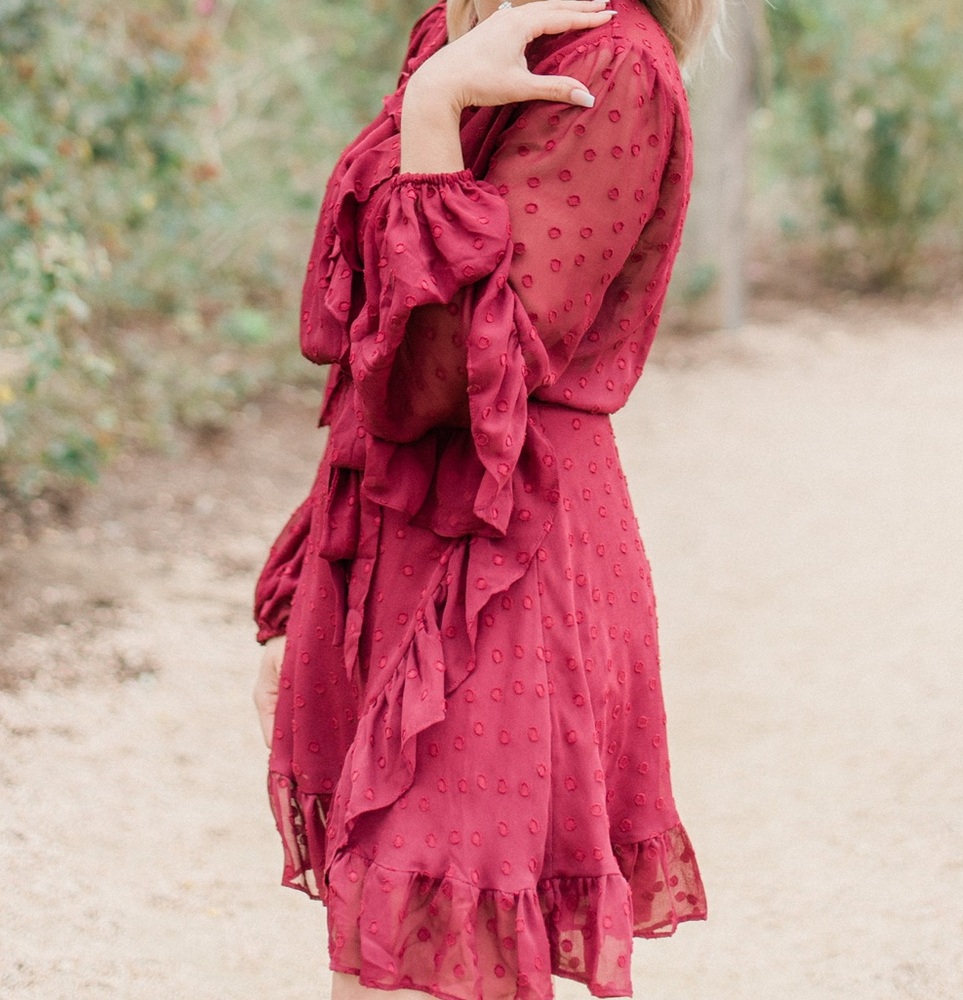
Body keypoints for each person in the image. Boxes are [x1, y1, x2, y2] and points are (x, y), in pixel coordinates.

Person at [252, 0, 714, 997]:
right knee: (391, 953)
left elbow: (446, 373)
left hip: (502, 554)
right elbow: (355, 314)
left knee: (414, 972)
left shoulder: (613, 71)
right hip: (388, 524)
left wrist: (431, 117)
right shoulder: (461, 32)